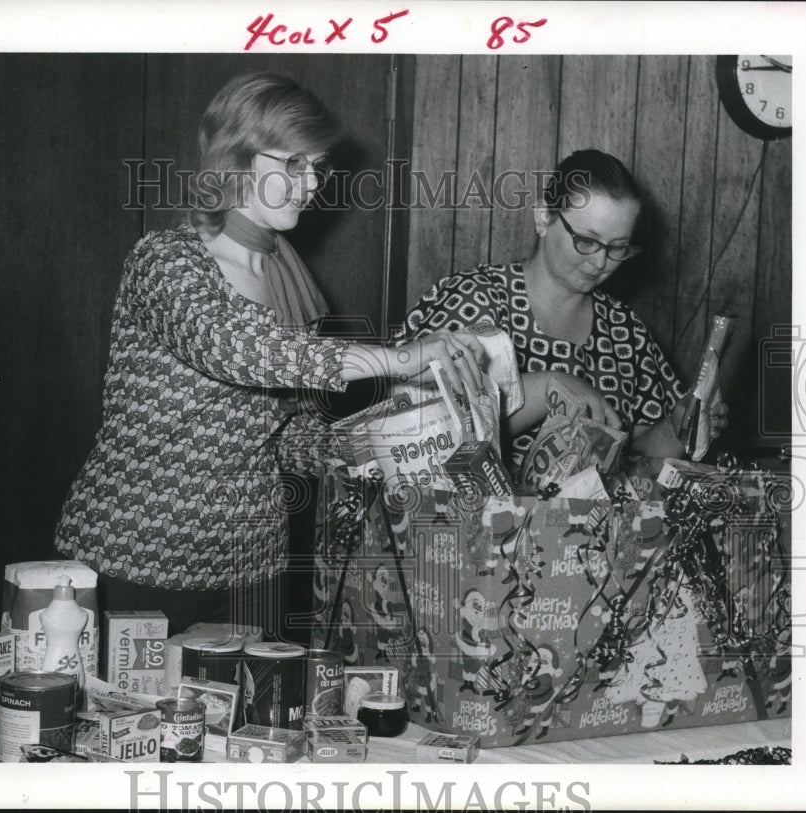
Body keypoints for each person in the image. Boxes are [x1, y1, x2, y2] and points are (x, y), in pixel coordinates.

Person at [54, 72, 486, 637]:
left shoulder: (286, 276)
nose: (311, 185)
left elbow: (288, 439)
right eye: (292, 164)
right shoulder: (166, 261)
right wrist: (399, 359)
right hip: (137, 556)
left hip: (250, 566)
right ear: (234, 159)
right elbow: (238, 349)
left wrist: (401, 431)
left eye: (317, 167)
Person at [402, 149, 727, 469]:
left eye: (617, 248)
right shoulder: (475, 300)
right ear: (544, 218)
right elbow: (423, 433)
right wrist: (550, 386)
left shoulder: (626, 330)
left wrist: (676, 427)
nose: (600, 262)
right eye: (587, 241)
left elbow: (634, 461)